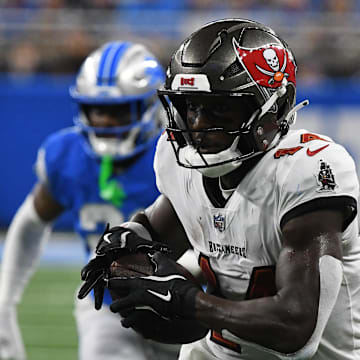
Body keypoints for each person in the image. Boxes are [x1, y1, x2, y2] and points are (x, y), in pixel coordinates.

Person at [78, 19, 360, 360]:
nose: (197, 125)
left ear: (274, 107)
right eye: (192, 106)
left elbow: (296, 329)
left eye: (220, 108)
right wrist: (125, 242)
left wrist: (190, 303)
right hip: (218, 352)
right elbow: (159, 226)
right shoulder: (176, 160)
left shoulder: (305, 171)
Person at [0, 41, 179, 360]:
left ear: (150, 106)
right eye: (97, 109)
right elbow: (30, 223)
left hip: (183, 303)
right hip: (107, 304)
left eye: (118, 110)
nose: (106, 121)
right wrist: (4, 302)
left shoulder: (178, 156)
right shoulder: (68, 155)